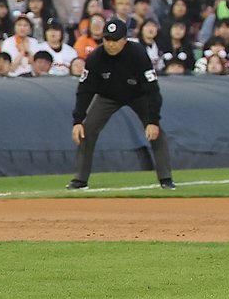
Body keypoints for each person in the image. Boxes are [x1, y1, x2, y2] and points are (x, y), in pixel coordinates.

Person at [68, 18, 175, 191]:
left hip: (138, 95)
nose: (110, 44)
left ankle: (166, 178)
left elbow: (153, 89)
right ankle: (80, 180)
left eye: (115, 40)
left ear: (125, 40)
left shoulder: (138, 53)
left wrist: (153, 120)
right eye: (107, 39)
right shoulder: (95, 57)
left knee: (157, 132)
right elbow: (85, 90)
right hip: (107, 96)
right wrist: (77, 120)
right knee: (86, 131)